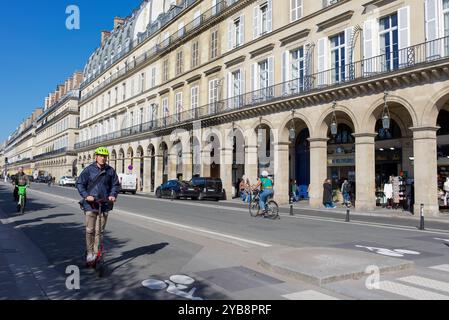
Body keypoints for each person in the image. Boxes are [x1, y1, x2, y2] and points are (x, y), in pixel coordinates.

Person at [76, 147, 121, 268]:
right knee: (90, 230)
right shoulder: (88, 170)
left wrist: (112, 195)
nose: (103, 158)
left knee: (99, 232)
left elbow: (115, 185)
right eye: (100, 155)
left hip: (104, 204)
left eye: (105, 156)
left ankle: (96, 253)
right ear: (96, 156)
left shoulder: (110, 171)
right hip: (91, 204)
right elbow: (80, 183)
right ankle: (89, 253)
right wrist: (86, 196)